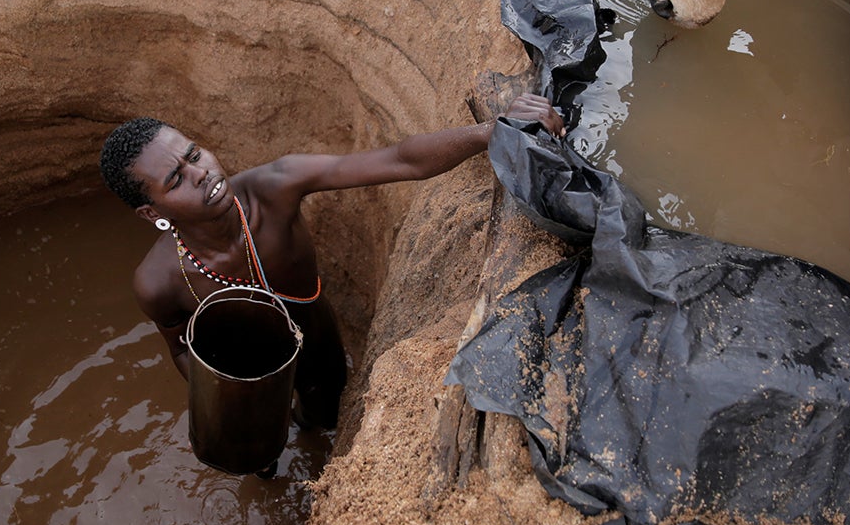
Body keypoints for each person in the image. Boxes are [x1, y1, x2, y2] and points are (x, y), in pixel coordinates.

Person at [99, 94, 565, 430]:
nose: (204, 175)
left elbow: (401, 160)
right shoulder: (157, 282)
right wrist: (229, 399)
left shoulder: (275, 187)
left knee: (325, 421)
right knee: (252, 457)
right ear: (152, 212)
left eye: (195, 154)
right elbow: (181, 349)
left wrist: (490, 131)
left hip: (319, 346)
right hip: (245, 380)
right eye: (177, 178)